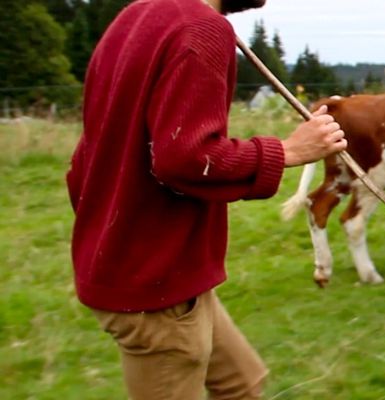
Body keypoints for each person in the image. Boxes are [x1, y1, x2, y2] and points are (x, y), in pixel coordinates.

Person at [66, 0, 347, 398]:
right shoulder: (201, 27)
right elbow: (185, 157)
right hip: (154, 284)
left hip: (159, 270)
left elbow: (88, 159)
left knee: (242, 385)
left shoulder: (134, 17)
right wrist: (289, 151)